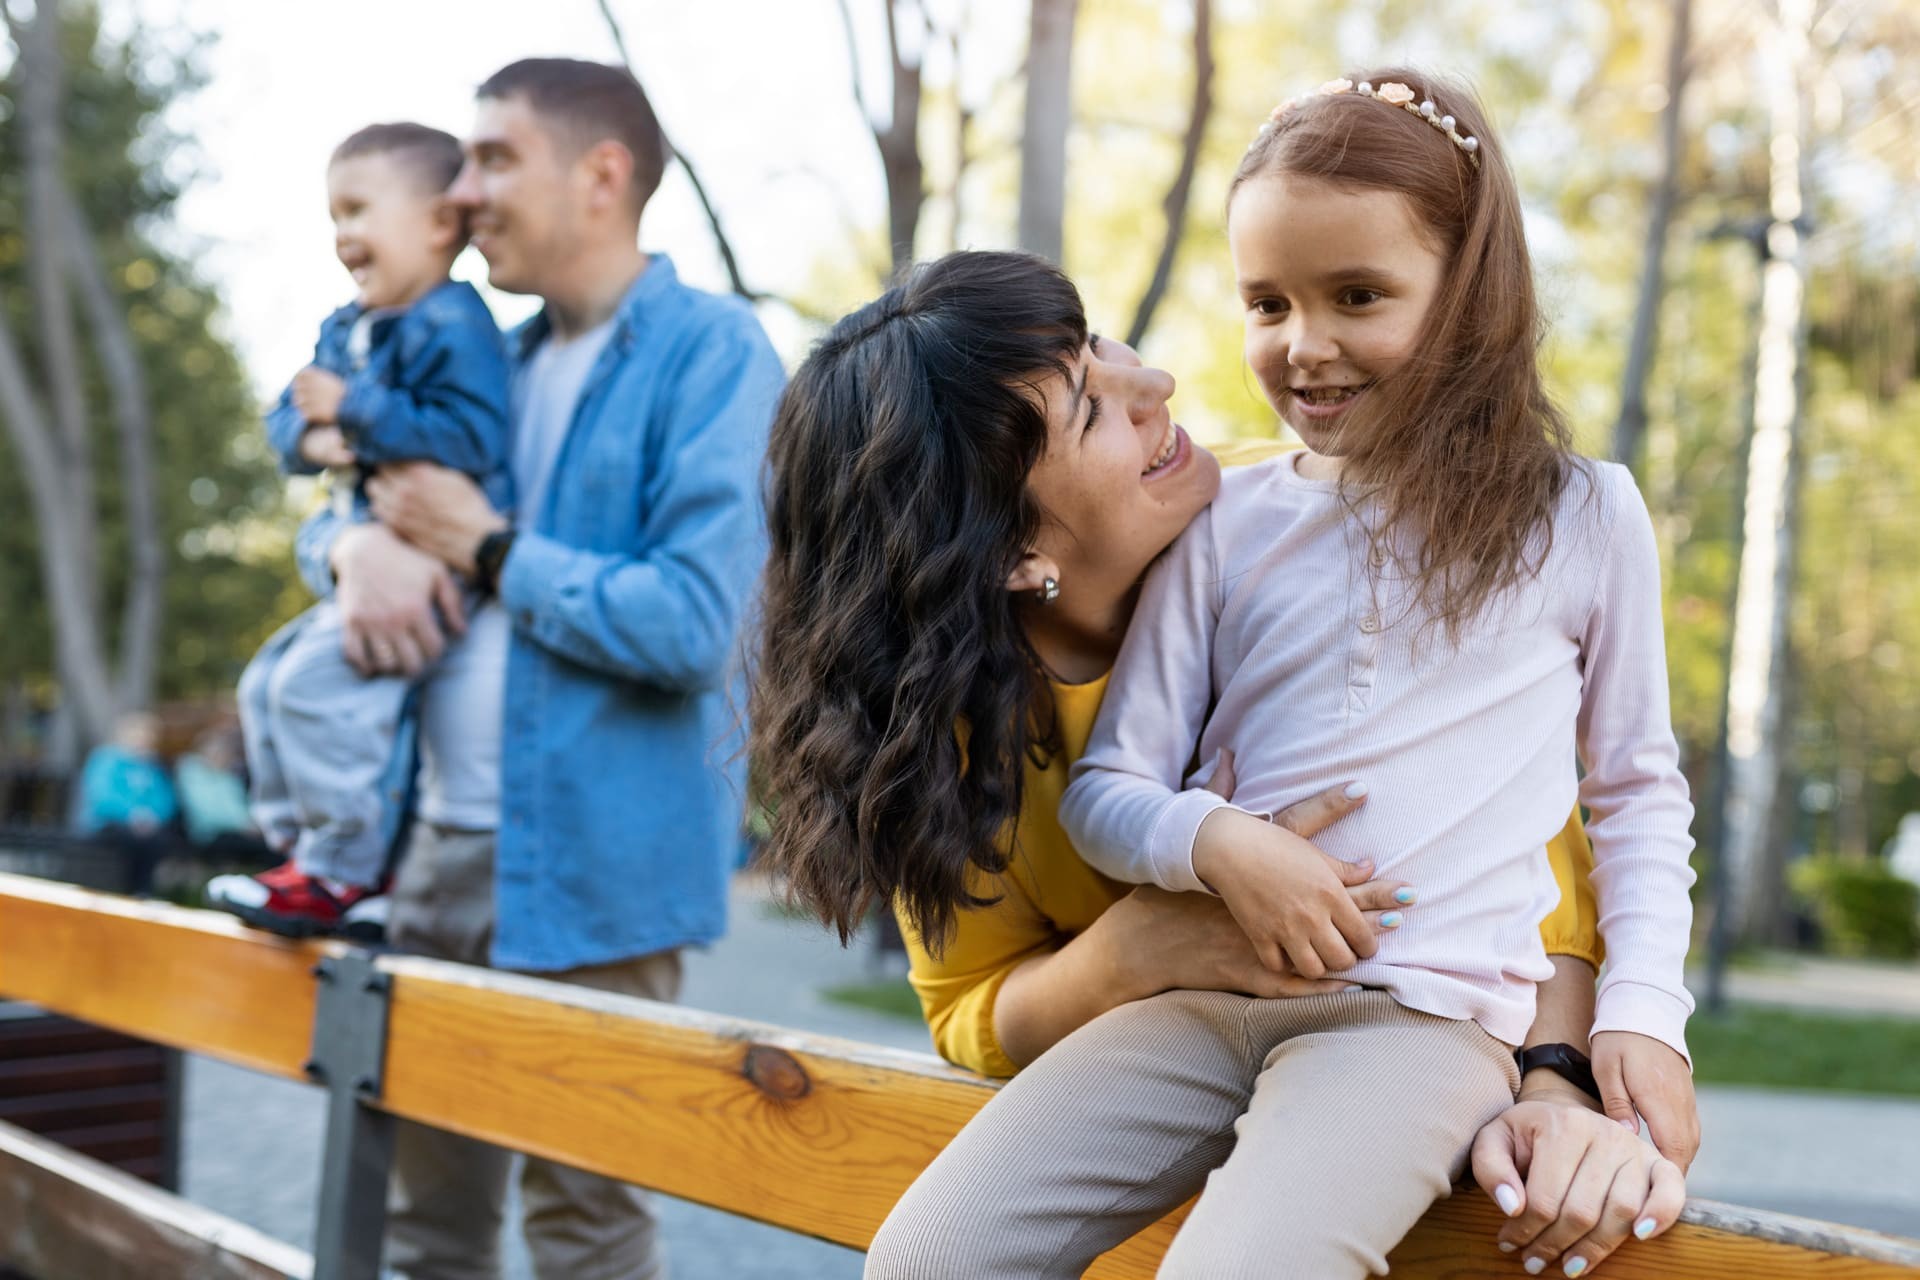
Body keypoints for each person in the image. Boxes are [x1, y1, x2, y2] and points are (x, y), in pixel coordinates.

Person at [751, 253, 1697, 1275]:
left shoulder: (1296, 509)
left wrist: (1556, 1078)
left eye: (1105, 348)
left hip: (1420, 1022)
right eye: (1090, 406)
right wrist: (1139, 948)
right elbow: (972, 1008)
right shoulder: (945, 732)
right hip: (1185, 1035)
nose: (1156, 385)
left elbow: (1534, 835)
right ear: (1013, 553)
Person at [1042, 70, 1697, 1276]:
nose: (1306, 345)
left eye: (1358, 295)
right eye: (1267, 302)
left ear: (1468, 293)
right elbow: (1107, 790)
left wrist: (1644, 1018)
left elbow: (1639, 795)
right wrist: (1224, 845)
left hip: (1418, 1026)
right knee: (928, 1252)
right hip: (1196, 1007)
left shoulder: (1584, 516)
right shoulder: (1226, 521)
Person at [295, 59, 783, 1279]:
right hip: (432, 853)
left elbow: (691, 625)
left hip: (598, 873)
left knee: (585, 1229)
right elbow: (356, 509)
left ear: (602, 174)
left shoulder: (715, 355)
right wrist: (349, 545)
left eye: (494, 158)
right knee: (428, 1233)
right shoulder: (487, 360)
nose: (462, 191)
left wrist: (487, 545)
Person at [209, 122, 512, 938]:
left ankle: (340, 870)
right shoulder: (347, 326)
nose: (341, 235)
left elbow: (476, 437)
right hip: (370, 548)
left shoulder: (456, 322)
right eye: (332, 216)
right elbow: (286, 420)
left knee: (313, 692)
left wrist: (356, 411)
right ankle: (304, 855)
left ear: (439, 224)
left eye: (357, 211)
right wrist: (317, 436)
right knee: (264, 685)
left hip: (432, 560)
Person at [73, 712, 177, 896]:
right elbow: (102, 796)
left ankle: (142, 892)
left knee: (158, 840)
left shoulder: (151, 766)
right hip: (106, 823)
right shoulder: (106, 759)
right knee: (131, 840)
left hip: (146, 827)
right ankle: (125, 892)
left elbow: (165, 799)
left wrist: (152, 817)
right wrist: (131, 815)